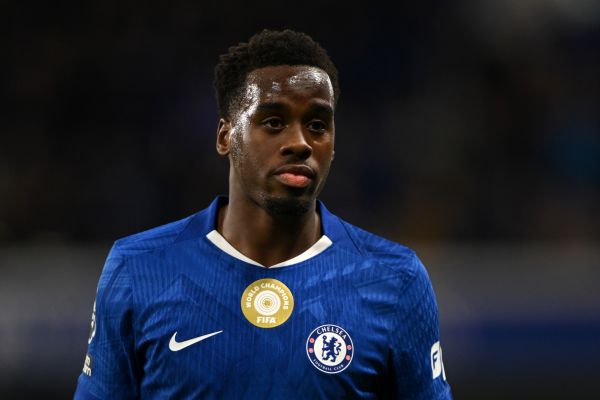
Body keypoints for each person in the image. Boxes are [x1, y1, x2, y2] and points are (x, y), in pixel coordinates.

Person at [74, 29, 452, 399]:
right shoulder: (139, 268)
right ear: (225, 136)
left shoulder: (394, 278)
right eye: (274, 122)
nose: (300, 143)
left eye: (317, 125)